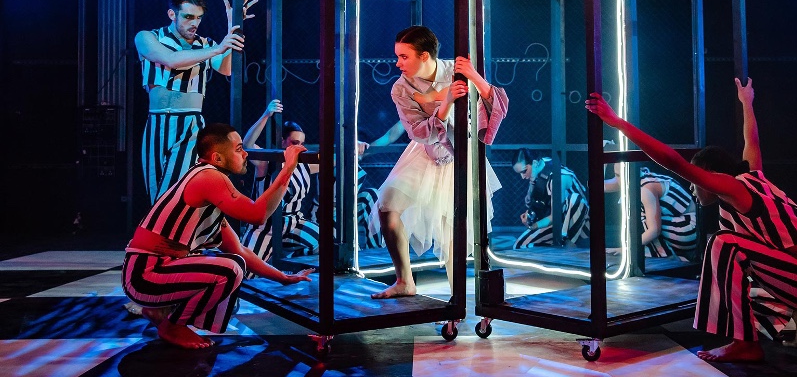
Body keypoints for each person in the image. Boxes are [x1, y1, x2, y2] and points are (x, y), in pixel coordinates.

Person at [586, 78, 797, 362]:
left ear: (712, 176)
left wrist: (617, 122)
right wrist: (746, 102)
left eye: (698, 179)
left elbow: (673, 161)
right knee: (733, 260)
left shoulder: (734, 188)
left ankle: (745, 344)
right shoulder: (751, 178)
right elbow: (752, 141)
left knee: (724, 243)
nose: (692, 186)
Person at [121, 123, 314, 349]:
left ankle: (160, 310)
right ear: (218, 158)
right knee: (231, 269)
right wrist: (288, 167)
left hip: (151, 273)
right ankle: (173, 326)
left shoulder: (207, 185)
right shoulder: (209, 177)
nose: (246, 154)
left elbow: (239, 249)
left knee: (232, 271)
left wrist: (284, 278)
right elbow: (257, 215)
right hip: (144, 276)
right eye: (239, 149)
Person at [369, 26, 508, 299]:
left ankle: (458, 298)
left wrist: (473, 76)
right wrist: (444, 103)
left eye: (404, 56)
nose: (398, 63)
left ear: (424, 56)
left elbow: (496, 107)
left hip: (460, 153)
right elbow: (419, 132)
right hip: (425, 151)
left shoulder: (455, 70)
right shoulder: (401, 87)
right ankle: (404, 281)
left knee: (452, 229)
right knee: (387, 205)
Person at [135, 0, 258, 204]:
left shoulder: (205, 44)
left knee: (175, 195)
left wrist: (233, 29)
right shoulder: (148, 37)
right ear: (172, 14)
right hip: (156, 122)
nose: (194, 23)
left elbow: (226, 68)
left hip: (189, 124)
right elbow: (171, 59)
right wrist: (218, 48)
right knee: (156, 198)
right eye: (188, 17)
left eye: (199, 18)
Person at [239, 101, 382, 264]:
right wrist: (266, 115)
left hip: (294, 222)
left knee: (331, 242)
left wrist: (353, 146)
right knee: (247, 268)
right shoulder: (267, 162)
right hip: (266, 225)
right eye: (295, 143)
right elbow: (247, 145)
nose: (300, 147)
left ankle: (291, 262)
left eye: (302, 143)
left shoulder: (304, 165)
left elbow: (338, 157)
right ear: (283, 141)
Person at [604, 165, 697, 260]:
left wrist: (626, 249)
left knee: (641, 216)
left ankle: (668, 256)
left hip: (691, 229)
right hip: (679, 224)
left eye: (623, 175)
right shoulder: (636, 176)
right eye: (617, 175)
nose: (621, 180)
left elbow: (654, 230)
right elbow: (602, 186)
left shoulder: (645, 189)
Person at [511, 148, 589, 249]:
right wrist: (530, 220)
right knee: (519, 245)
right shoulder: (540, 167)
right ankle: (558, 245)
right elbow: (533, 203)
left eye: (524, 171)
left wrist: (535, 226)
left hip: (582, 222)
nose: (522, 177)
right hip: (559, 221)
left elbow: (556, 215)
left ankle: (569, 244)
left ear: (535, 163)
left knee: (575, 199)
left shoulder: (557, 178)